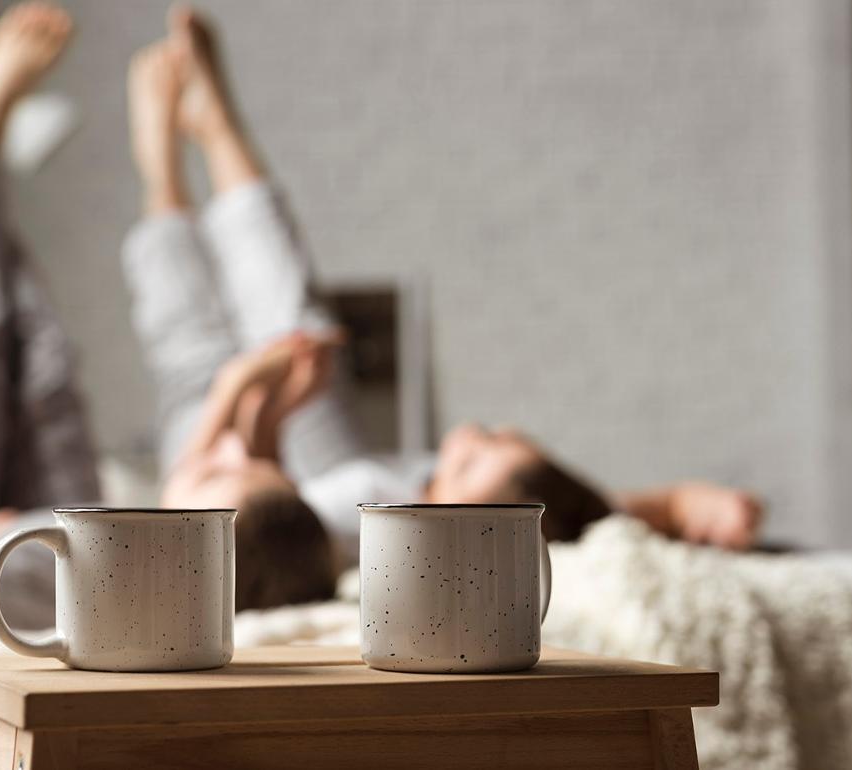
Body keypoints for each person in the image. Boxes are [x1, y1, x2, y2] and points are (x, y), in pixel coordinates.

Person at [120, 7, 766, 570]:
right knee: (288, 322)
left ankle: (163, 167)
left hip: (230, 470)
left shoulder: (376, 530)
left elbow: (226, 503)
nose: (460, 439)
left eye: (465, 462)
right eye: (488, 433)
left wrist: (245, 392)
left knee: (197, 354)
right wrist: (681, 503)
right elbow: (571, 520)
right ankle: (217, 129)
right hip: (306, 461)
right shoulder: (440, 497)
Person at [0, 2, 333, 656]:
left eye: (221, 475)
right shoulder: (153, 557)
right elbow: (196, 487)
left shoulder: (48, 570)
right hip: (45, 542)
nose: (230, 450)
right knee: (45, 368)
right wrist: (236, 396)